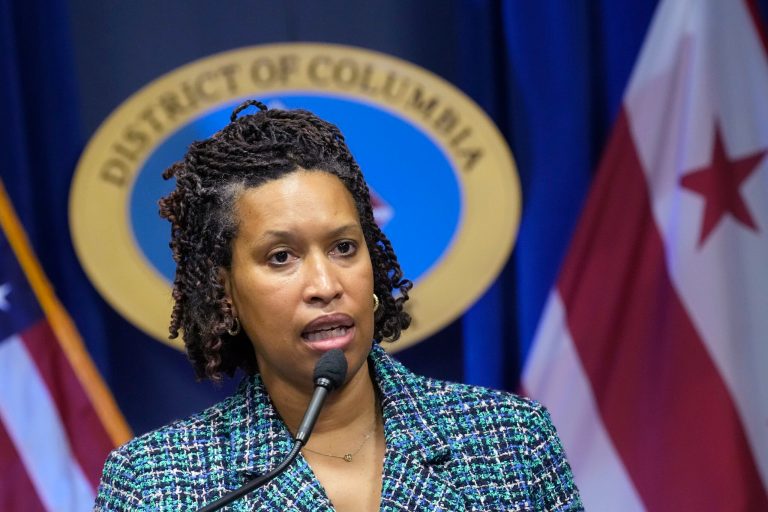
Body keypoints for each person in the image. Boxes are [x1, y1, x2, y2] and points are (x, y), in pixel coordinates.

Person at [94, 100, 583, 511]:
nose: (325, 284)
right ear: (225, 291)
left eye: (344, 247)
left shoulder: (511, 440)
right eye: (281, 257)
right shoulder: (156, 486)